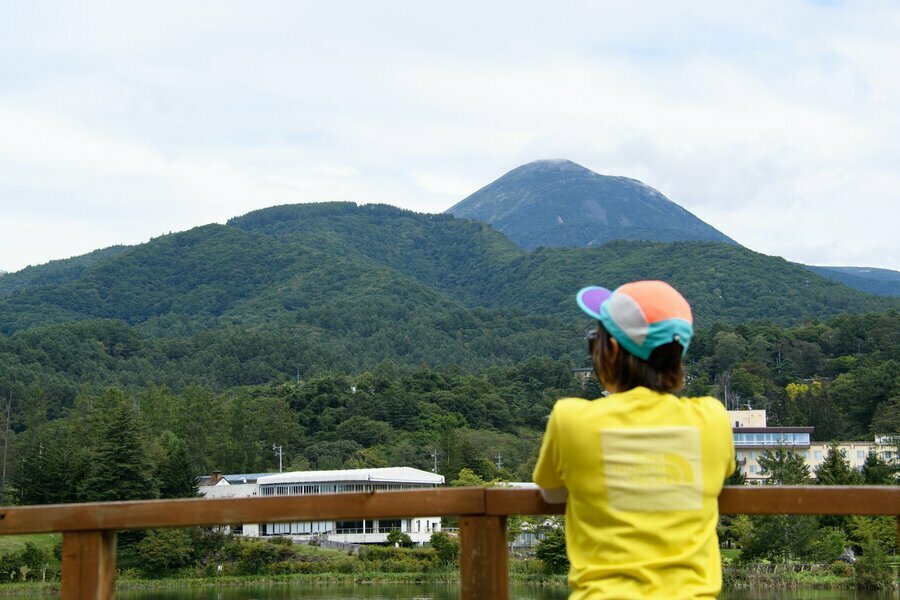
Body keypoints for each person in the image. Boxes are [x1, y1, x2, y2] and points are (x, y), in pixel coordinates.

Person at [533, 280, 735, 599]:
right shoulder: (713, 419)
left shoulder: (570, 418)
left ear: (610, 350)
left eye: (595, 339)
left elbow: (552, 493)